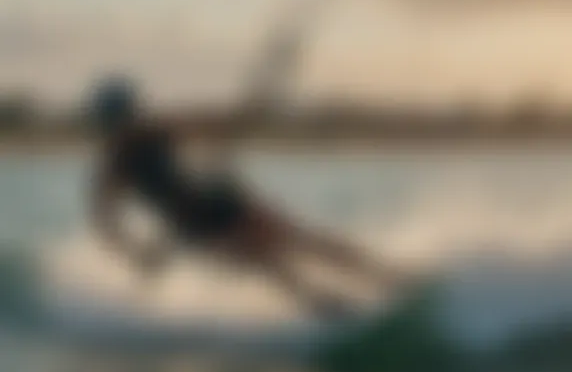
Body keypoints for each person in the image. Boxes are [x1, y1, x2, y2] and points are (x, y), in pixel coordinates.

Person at [88, 76, 399, 319]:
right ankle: (324, 306)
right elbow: (106, 222)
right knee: (264, 259)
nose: (127, 125)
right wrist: (137, 254)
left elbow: (206, 124)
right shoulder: (114, 168)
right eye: (119, 121)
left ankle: (385, 276)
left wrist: (239, 121)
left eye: (128, 116)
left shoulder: (156, 130)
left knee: (301, 239)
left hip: (217, 197)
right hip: (191, 225)